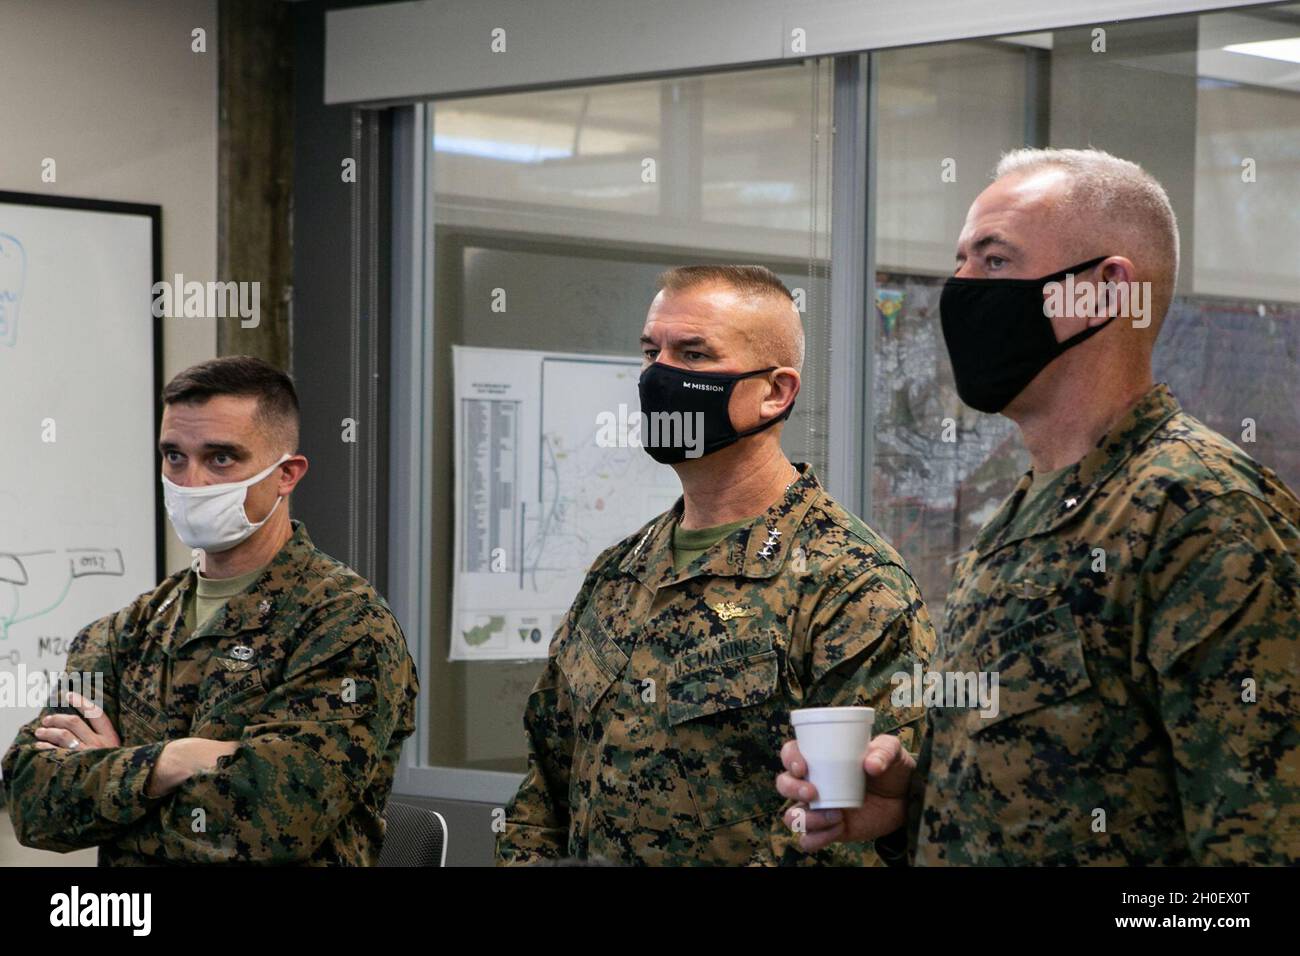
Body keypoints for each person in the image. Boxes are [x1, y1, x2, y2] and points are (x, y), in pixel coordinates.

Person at [778, 147, 1300, 865]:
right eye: (960, 263)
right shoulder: (1015, 521)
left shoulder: (1200, 512)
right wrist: (907, 803)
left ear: (1105, 290)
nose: (959, 291)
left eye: (994, 263)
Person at [497, 265, 935, 866]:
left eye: (694, 354)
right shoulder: (619, 572)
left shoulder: (850, 582)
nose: (660, 375)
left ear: (776, 392)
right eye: (651, 352)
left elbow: (844, 832)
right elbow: (544, 784)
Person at [2, 356, 420, 865]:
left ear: (286, 474)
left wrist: (113, 777)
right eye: (174, 456)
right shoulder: (121, 632)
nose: (191, 482)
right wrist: (172, 761)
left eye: (221, 458)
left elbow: (270, 827)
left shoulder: (343, 624)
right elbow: (32, 803)